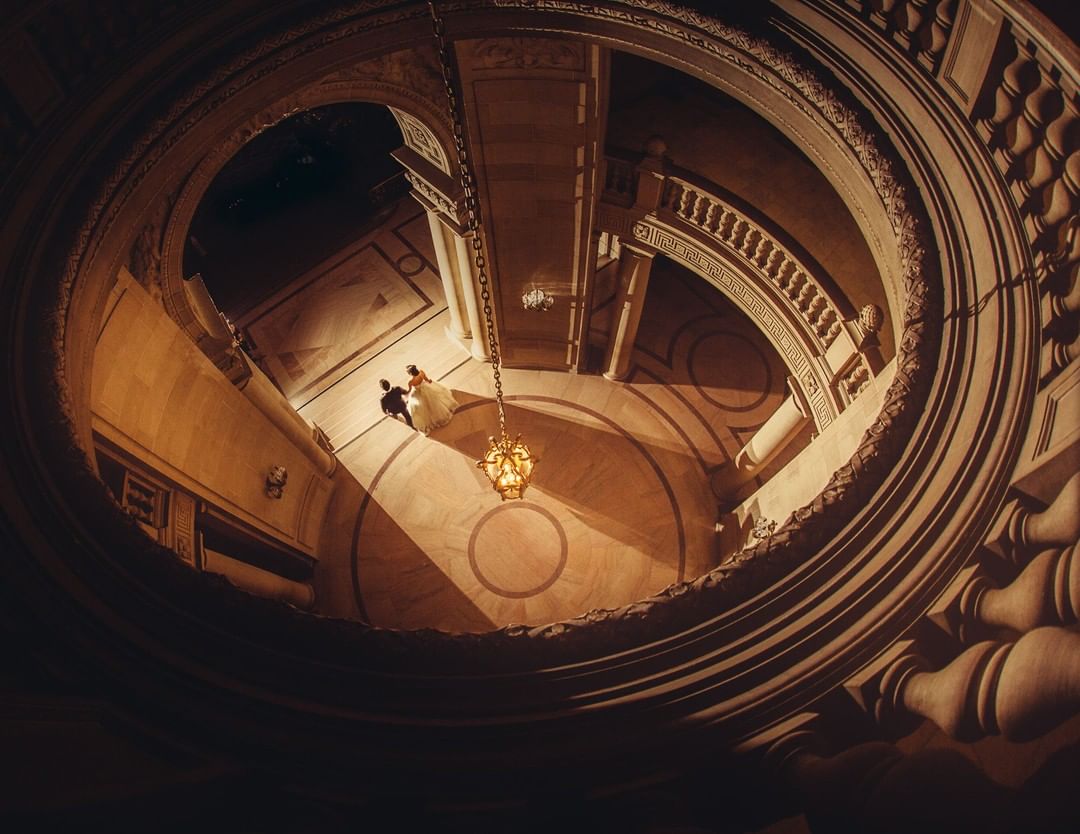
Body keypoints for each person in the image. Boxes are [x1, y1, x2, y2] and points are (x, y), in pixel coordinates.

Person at [405, 364, 459, 435]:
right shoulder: (421, 372)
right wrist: (431, 382)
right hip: (426, 389)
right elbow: (427, 380)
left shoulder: (410, 381)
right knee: (435, 402)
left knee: (423, 408)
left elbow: (409, 390)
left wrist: (404, 394)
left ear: (410, 373)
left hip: (418, 393)